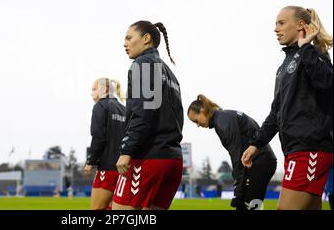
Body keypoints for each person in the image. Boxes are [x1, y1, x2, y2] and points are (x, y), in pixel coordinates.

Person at [242, 6, 333, 210]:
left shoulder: (314, 53)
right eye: (275, 23)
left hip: (310, 150)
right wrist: (257, 143)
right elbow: (277, 112)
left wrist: (306, 47)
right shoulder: (283, 67)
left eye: (281, 23)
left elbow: (327, 83)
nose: (276, 29)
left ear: (301, 25)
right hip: (294, 151)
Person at [112, 21, 183, 210]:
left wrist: (127, 151)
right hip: (173, 160)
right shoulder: (169, 73)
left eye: (129, 38)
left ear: (146, 39)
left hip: (149, 157)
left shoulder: (142, 63)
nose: (124, 43)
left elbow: (143, 112)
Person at [188, 94, 277, 210]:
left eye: (196, 120)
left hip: (259, 163)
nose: (198, 125)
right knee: (250, 206)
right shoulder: (223, 117)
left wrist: (238, 191)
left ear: (202, 110)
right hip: (261, 162)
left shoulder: (222, 121)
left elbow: (237, 156)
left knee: (247, 206)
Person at [83, 78, 126, 210]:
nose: (91, 93)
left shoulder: (100, 106)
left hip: (107, 168)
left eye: (94, 89)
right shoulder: (124, 109)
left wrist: (90, 162)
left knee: (97, 208)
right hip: (123, 169)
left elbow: (98, 137)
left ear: (105, 90)